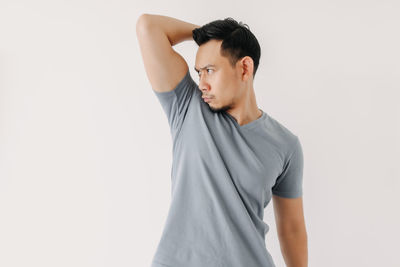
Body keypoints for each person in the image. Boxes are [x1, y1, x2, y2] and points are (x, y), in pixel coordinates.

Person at [136, 13, 308, 267]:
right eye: (199, 73)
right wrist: (207, 33)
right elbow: (147, 26)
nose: (202, 83)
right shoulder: (186, 106)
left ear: (245, 68)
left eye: (209, 70)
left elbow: (292, 229)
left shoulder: (286, 145)